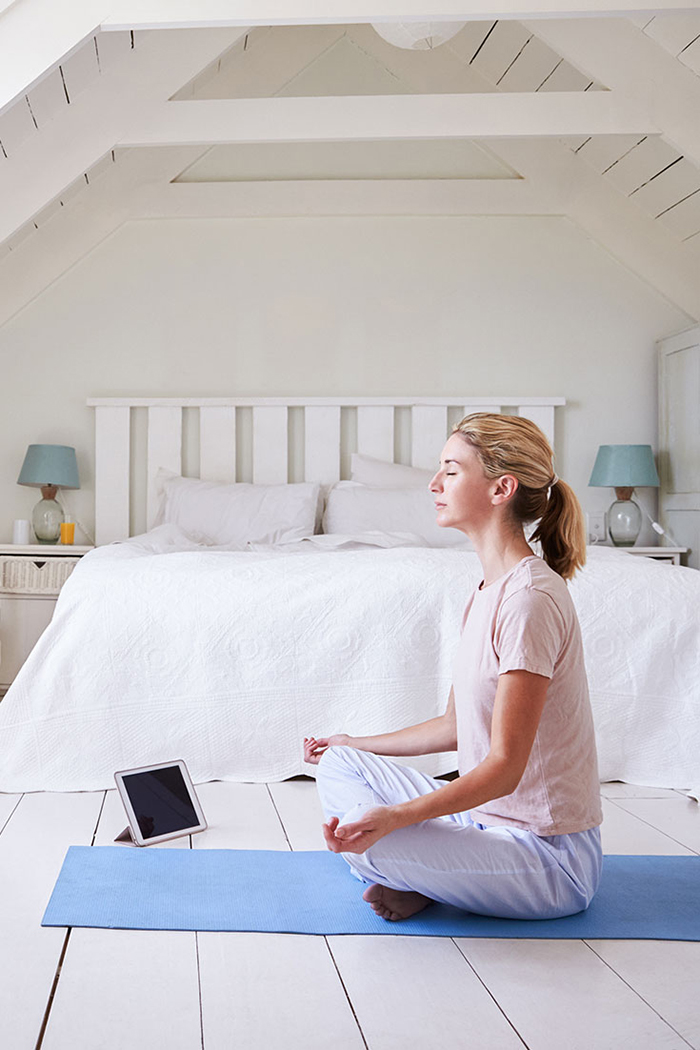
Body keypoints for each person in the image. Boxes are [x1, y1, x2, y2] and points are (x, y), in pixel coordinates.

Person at [303, 413, 603, 923]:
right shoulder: (489, 590)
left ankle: (418, 874)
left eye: (451, 470)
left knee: (368, 846)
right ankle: (431, 876)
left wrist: (395, 819)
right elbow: (455, 726)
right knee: (339, 766)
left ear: (501, 488)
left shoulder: (528, 599)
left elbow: (505, 767)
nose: (434, 484)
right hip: (487, 823)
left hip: (548, 859)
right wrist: (354, 743)